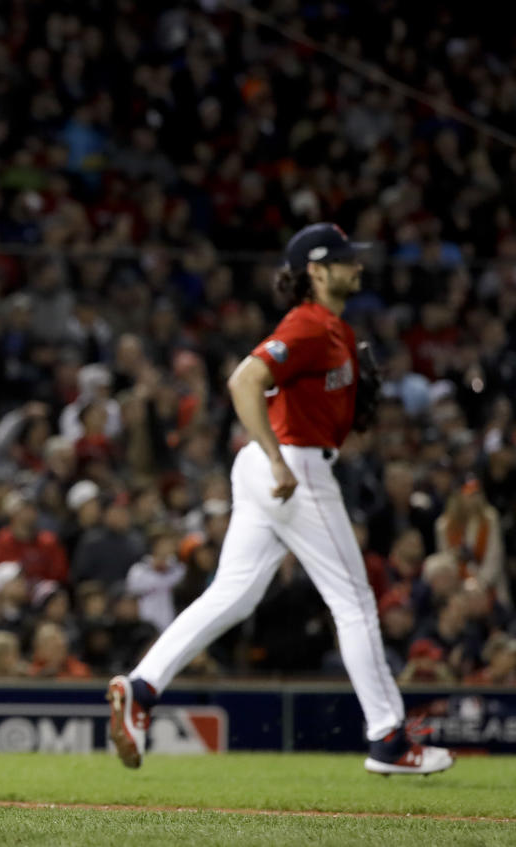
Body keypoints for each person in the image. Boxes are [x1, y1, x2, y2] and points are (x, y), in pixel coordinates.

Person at [107, 224, 453, 776]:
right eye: (343, 261)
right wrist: (274, 458)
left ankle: (143, 689)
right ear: (317, 270)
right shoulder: (311, 323)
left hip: (282, 464)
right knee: (355, 602)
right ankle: (389, 739)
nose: (356, 267)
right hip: (292, 466)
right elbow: (245, 380)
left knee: (235, 595)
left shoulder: (333, 329)